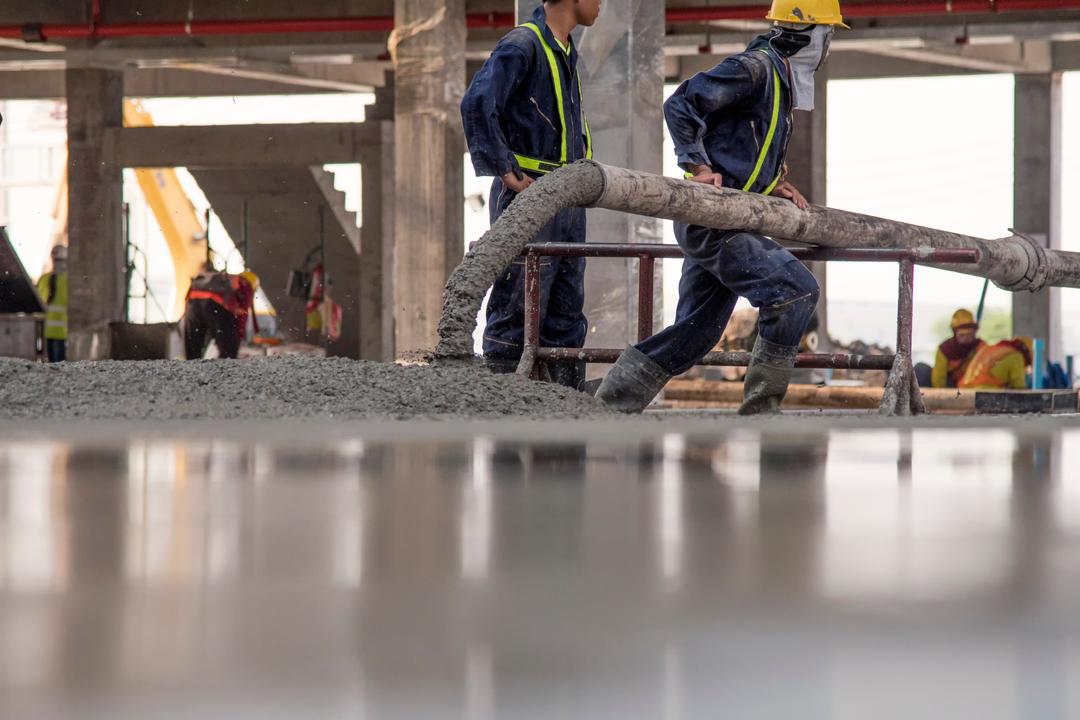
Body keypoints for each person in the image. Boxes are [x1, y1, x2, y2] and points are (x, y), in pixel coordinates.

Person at [596, 0, 846, 415]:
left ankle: (609, 404)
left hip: (728, 219)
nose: (828, 44)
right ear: (806, 34)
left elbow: (742, 144)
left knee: (696, 333)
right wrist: (697, 166)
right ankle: (761, 412)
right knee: (795, 291)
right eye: (827, 34)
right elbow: (680, 104)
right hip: (716, 222)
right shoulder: (754, 69)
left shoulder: (778, 82)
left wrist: (771, 183)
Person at [460, 0, 602, 390]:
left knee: (565, 311)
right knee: (518, 302)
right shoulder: (523, 44)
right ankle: (502, 402)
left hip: (567, 197)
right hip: (531, 194)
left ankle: (564, 407)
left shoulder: (565, 50)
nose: (601, 3)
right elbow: (477, 102)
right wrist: (505, 169)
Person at [183, 262, 257, 360]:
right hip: (214, 303)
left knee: (194, 343)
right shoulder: (247, 285)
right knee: (228, 347)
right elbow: (242, 316)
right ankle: (227, 368)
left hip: (192, 300)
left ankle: (190, 368)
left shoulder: (221, 280)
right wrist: (239, 337)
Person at [920, 308, 985, 389]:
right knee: (920, 368)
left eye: (969, 334)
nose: (966, 338)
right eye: (962, 335)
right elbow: (939, 380)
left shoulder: (982, 347)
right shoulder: (945, 349)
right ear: (955, 333)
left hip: (973, 387)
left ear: (974, 332)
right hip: (951, 388)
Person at [36, 244, 69, 363]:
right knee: (51, 363)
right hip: (47, 329)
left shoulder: (69, 280)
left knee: (59, 362)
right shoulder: (44, 279)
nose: (58, 264)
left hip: (62, 331)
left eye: (60, 260)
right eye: (57, 260)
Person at [958, 337, 1031, 390]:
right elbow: (1019, 387)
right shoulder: (1016, 356)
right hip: (985, 394)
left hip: (963, 391)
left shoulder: (987, 348)